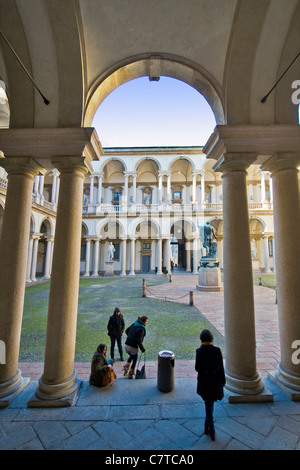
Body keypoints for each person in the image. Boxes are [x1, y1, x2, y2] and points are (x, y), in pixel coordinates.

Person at [195, 329, 225, 441]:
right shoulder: (217, 350)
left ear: (201, 339)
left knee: (208, 405)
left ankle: (210, 428)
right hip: (215, 381)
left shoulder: (199, 351)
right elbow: (221, 367)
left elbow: (197, 368)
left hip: (205, 381)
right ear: (212, 339)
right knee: (210, 404)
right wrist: (223, 381)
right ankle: (208, 427)